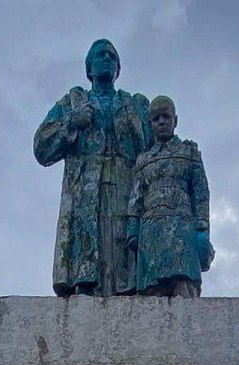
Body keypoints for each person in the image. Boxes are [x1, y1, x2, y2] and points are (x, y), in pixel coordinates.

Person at [34, 38, 152, 297]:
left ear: (118, 68)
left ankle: (127, 289)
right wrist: (71, 123)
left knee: (123, 239)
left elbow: (156, 146)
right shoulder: (73, 102)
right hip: (84, 189)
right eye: (101, 55)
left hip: (126, 184)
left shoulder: (135, 105)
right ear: (89, 69)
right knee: (89, 240)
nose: (107, 58)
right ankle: (84, 284)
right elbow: (41, 147)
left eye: (112, 55)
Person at [127, 95, 213, 297]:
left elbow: (200, 192)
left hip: (181, 230)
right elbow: (136, 197)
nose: (162, 122)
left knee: (183, 288)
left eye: (166, 116)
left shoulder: (188, 151)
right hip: (150, 233)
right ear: (150, 124)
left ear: (176, 120)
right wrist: (133, 229)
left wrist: (202, 227)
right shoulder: (143, 160)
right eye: (156, 118)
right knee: (151, 295)